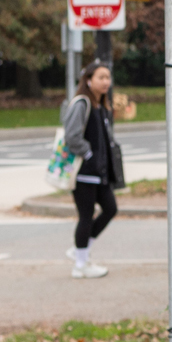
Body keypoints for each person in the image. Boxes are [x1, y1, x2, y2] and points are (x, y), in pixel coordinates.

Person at [61, 62, 133, 280]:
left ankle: (80, 250)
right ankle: (80, 265)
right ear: (89, 80)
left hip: (99, 172)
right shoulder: (82, 103)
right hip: (84, 172)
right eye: (101, 77)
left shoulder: (101, 106)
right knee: (86, 216)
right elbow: (72, 136)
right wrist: (89, 154)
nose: (106, 82)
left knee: (110, 208)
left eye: (108, 77)